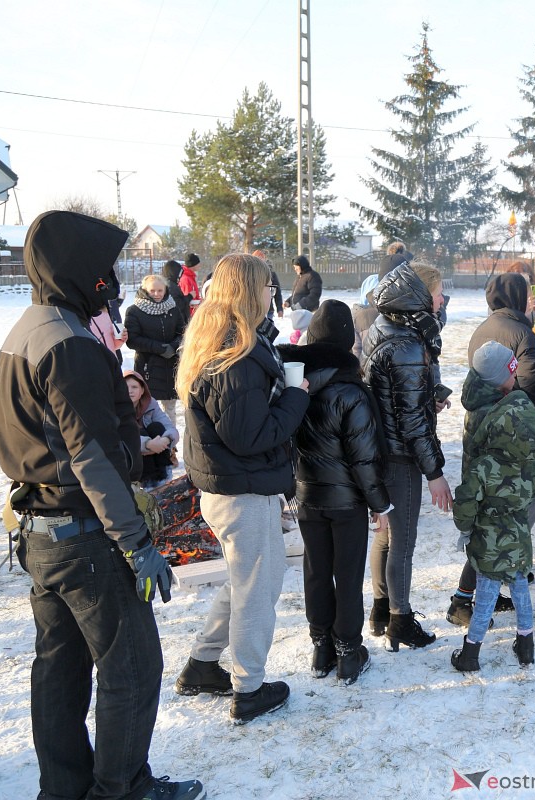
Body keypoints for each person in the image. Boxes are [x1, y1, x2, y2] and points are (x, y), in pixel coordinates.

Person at [0, 211, 202, 800]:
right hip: (84, 534)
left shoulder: (28, 329)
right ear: (78, 269)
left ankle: (63, 789)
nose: (110, 280)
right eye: (102, 268)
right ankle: (123, 788)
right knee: (131, 665)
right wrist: (137, 544)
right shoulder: (70, 345)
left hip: (42, 533)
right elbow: (90, 458)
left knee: (58, 670)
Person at [174, 252, 310, 724]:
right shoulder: (234, 355)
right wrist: (296, 397)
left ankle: (203, 664)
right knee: (257, 589)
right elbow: (251, 436)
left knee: (248, 579)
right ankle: (248, 689)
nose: (273, 294)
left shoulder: (225, 341)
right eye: (268, 288)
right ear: (250, 291)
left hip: (231, 486)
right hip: (240, 491)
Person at [277, 300, 391, 686]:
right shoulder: (352, 392)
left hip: (308, 497)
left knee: (316, 571)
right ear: (347, 341)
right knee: (346, 572)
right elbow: (363, 459)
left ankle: (321, 646)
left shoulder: (294, 387)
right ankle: (347, 650)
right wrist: (380, 504)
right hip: (346, 503)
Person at [361, 262, 452, 651]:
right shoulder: (409, 345)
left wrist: (428, 395)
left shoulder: (385, 325)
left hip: (382, 447)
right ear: (418, 296)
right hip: (400, 454)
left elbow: (393, 394)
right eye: (437, 292)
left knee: (385, 533)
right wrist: (435, 473)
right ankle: (400, 618)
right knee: (403, 540)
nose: (442, 298)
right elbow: (413, 423)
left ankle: (381, 609)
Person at [445, 273, 535, 626]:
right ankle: (464, 599)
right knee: (506, 525)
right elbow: (530, 383)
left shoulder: (481, 329)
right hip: (507, 455)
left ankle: (474, 594)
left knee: (487, 524)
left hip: (480, 452)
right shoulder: (522, 334)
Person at [450, 342, 535, 672]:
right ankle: (526, 644)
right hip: (517, 526)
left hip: (488, 521)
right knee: (519, 582)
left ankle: (471, 652)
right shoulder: (515, 417)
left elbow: (471, 481)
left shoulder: (486, 416)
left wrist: (465, 524)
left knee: (488, 587)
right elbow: (530, 480)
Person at [124, 274, 186, 428]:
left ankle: (171, 442)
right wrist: (159, 348)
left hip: (171, 364)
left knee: (170, 407)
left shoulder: (173, 308)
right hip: (148, 365)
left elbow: (183, 331)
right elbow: (133, 340)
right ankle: (147, 440)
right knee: (146, 405)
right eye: (153, 291)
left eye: (160, 290)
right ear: (145, 290)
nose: (157, 294)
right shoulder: (134, 311)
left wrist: (174, 346)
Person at [123, 370, 177, 489]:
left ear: (142, 390)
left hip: (156, 454)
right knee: (138, 432)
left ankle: (164, 476)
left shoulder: (150, 403)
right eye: (125, 386)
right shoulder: (115, 407)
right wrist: (148, 444)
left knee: (156, 427)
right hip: (129, 459)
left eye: (134, 387)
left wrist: (166, 440)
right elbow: (120, 437)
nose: (130, 390)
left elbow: (170, 428)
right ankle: (147, 484)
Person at [252, 250, 285, 318]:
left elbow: (277, 292)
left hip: (268, 310)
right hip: (253, 311)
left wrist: (279, 309)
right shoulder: (249, 275)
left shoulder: (271, 274)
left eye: (261, 261)